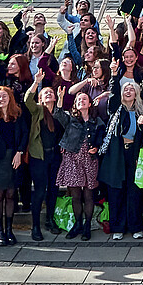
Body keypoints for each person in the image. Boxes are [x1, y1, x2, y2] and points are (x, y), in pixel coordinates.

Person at [98, 80, 143, 241]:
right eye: (125, 89)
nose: (128, 91)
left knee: (134, 192)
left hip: (134, 154)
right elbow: (112, 95)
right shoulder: (115, 109)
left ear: (136, 94)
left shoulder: (140, 112)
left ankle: (136, 227)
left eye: (131, 89)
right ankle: (117, 228)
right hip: (117, 154)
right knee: (116, 192)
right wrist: (113, 74)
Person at [55, 90, 101, 240]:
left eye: (84, 99)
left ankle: (87, 226)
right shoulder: (70, 119)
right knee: (75, 195)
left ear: (90, 103)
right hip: (72, 159)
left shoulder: (96, 121)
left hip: (89, 160)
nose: (81, 101)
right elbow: (58, 114)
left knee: (88, 195)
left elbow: (102, 136)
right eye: (78, 99)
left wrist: (97, 147)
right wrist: (60, 98)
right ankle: (78, 223)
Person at [0, 85, 28, 245]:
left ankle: (9, 230)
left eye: (4, 96)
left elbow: (25, 133)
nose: (1, 99)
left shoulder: (18, 114)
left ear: (10, 98)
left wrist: (19, 152)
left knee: (11, 194)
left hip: (14, 157)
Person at [26, 85, 63, 241]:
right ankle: (35, 226)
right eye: (45, 93)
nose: (48, 94)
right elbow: (27, 100)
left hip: (55, 157)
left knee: (53, 190)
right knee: (40, 191)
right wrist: (36, 83)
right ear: (40, 98)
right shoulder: (37, 110)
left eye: (51, 92)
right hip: (39, 157)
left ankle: (50, 220)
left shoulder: (59, 112)